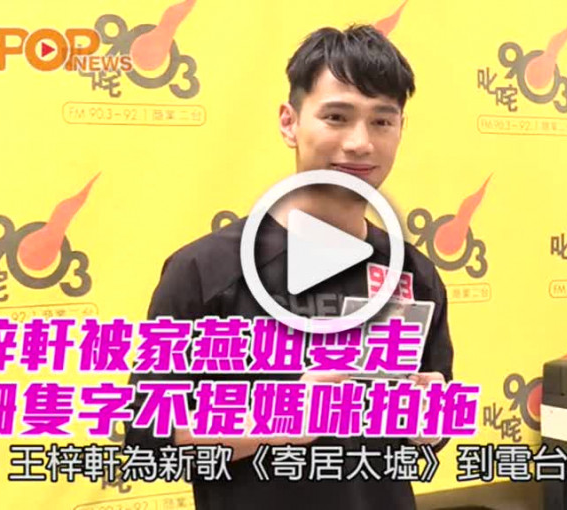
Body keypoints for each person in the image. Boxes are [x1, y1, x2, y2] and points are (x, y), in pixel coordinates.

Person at [125, 24, 454, 510]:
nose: (360, 143)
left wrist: (430, 419)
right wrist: (274, 421)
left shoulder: (414, 275)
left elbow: (432, 427)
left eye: (382, 121)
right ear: (289, 122)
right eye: (337, 117)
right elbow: (148, 439)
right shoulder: (205, 271)